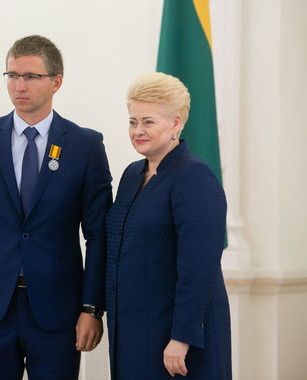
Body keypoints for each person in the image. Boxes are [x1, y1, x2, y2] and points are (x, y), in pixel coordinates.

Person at [0, 35, 112, 380]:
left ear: (56, 82)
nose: (19, 85)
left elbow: (98, 235)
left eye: (31, 76)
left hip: (58, 310)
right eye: (12, 75)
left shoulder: (85, 145)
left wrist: (91, 307)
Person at [105, 72, 231, 379]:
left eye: (148, 122)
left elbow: (199, 267)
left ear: (175, 123)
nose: (138, 131)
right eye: (133, 121)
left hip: (175, 340)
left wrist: (182, 337)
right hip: (132, 332)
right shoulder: (132, 175)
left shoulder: (194, 176)